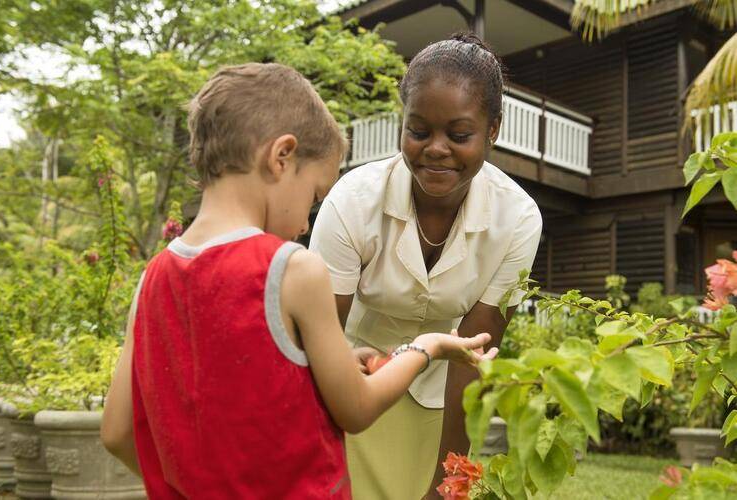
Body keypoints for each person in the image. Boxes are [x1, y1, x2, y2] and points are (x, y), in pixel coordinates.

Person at [100, 62, 497, 499]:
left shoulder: (152, 279)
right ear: (281, 157)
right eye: (312, 196)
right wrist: (428, 347)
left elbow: (117, 432)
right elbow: (357, 409)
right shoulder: (292, 269)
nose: (306, 224)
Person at [309, 33, 543, 499]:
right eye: (419, 131)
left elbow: (472, 355)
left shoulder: (517, 219)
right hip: (345, 382)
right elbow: (320, 334)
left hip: (437, 400)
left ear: (493, 129)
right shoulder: (353, 202)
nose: (436, 148)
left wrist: (449, 477)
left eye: (459, 135)